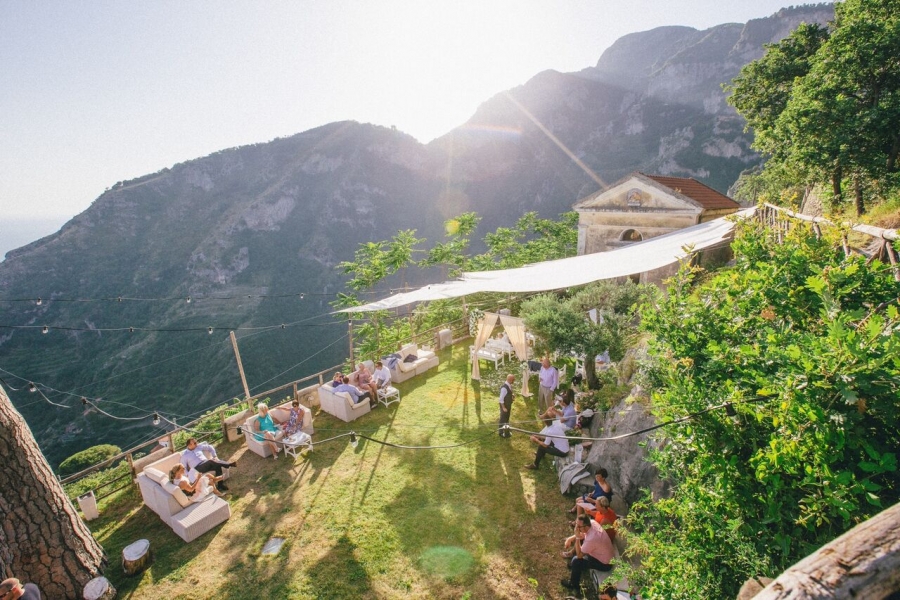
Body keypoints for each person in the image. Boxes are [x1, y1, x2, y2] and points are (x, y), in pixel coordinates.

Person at [561, 514, 614, 592]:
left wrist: (577, 537)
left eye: (579, 526)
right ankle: (575, 567)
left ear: (585, 526)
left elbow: (579, 555)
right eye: (576, 525)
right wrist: (570, 539)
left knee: (576, 561)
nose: (577, 528)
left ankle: (573, 584)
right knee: (581, 544)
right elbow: (583, 534)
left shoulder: (592, 538)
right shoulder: (592, 522)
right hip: (602, 554)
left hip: (605, 564)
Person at [498, 374, 515, 438]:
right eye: (513, 379)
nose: (514, 380)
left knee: (507, 417)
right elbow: (501, 399)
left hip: (508, 405)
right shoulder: (504, 388)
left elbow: (509, 392)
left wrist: (512, 395)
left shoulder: (509, 385)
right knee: (503, 419)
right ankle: (501, 432)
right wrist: (503, 408)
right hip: (505, 406)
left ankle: (507, 428)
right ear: (510, 380)